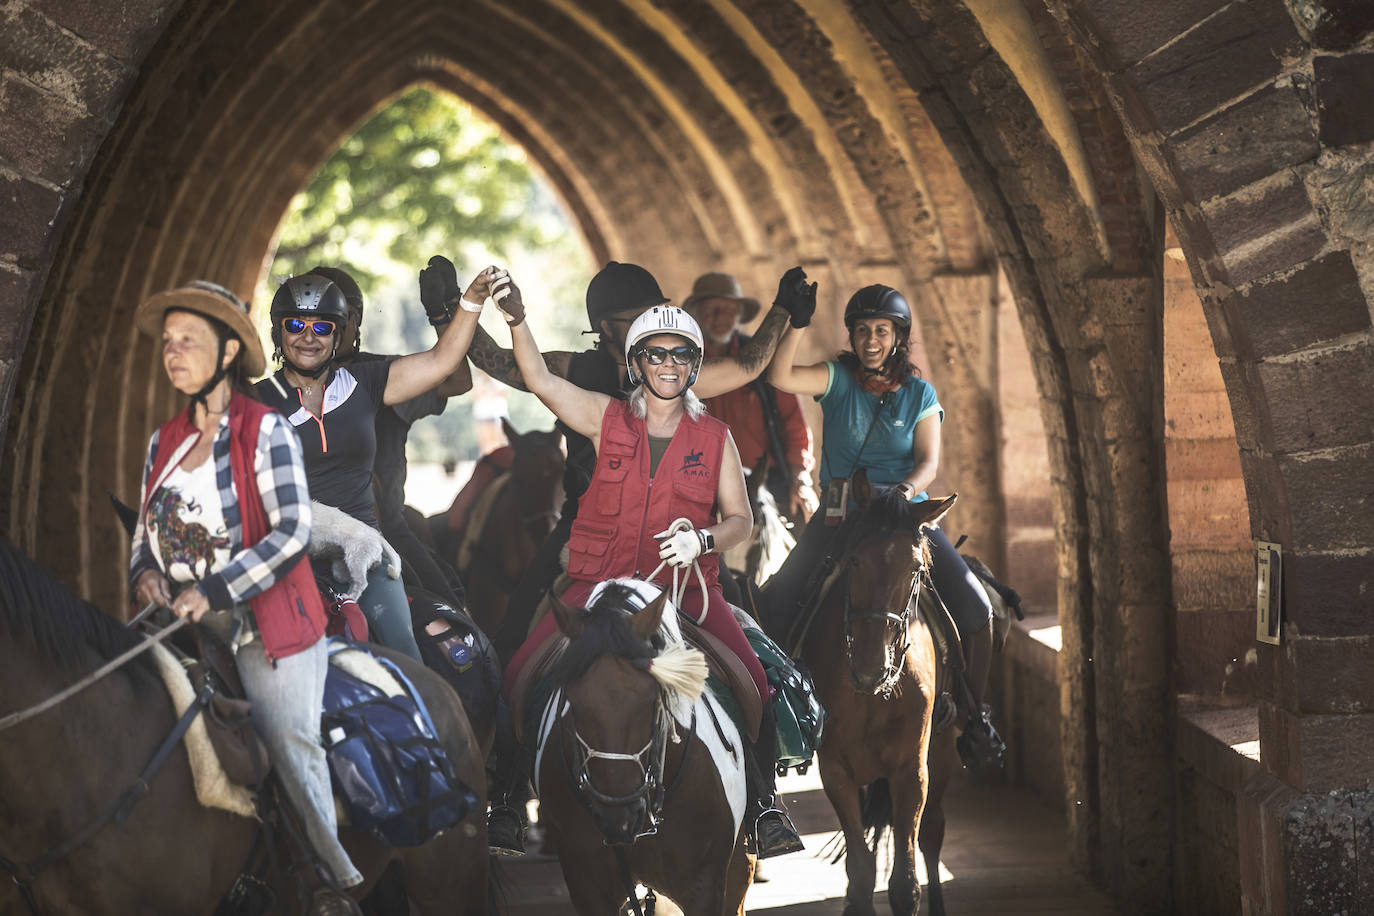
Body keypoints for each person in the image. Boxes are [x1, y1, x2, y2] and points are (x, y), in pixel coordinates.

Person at [494, 275, 805, 858]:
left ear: (694, 366)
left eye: (680, 355)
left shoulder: (716, 437)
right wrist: (516, 320)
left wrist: (704, 541)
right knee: (517, 676)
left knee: (755, 684)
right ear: (636, 364)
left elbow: (741, 519)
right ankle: (509, 799)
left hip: (682, 588)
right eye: (655, 354)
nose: (668, 364)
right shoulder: (603, 416)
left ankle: (763, 805)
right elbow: (537, 378)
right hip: (596, 582)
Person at [129, 281, 363, 916]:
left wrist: (212, 591)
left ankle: (331, 880)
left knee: (289, 740)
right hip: (176, 619)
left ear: (229, 350)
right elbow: (147, 530)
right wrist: (145, 574)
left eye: (190, 341)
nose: (173, 353)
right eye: (169, 342)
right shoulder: (162, 440)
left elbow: (291, 533)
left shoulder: (265, 432)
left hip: (268, 624)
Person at [766, 281, 1006, 770]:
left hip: (901, 517)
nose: (871, 340)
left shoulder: (920, 394)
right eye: (861, 331)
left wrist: (902, 492)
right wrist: (796, 321)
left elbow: (928, 462)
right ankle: (779, 712)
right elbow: (780, 374)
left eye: (881, 330)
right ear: (851, 337)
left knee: (977, 609)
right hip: (840, 518)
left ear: (898, 336)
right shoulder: (835, 380)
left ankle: (973, 716)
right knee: (773, 605)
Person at [255, 267, 491, 662]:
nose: (308, 336)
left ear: (339, 333)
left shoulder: (365, 381)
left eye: (323, 326)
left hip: (368, 549)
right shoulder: (256, 400)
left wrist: (469, 301)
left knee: (407, 654)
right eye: (296, 324)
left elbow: (443, 361)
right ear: (279, 331)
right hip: (287, 554)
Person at [308, 263, 471, 610]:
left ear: (356, 320)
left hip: (386, 529)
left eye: (339, 315)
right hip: (307, 533)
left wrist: (441, 315)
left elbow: (458, 381)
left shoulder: (386, 374)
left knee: (450, 614)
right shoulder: (284, 388)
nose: (329, 326)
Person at [683, 271, 817, 524]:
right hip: (697, 487)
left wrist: (800, 479)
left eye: (728, 310)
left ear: (738, 316)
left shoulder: (765, 360)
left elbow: (794, 424)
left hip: (766, 485)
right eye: (713, 310)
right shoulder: (683, 363)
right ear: (697, 314)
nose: (721, 317)